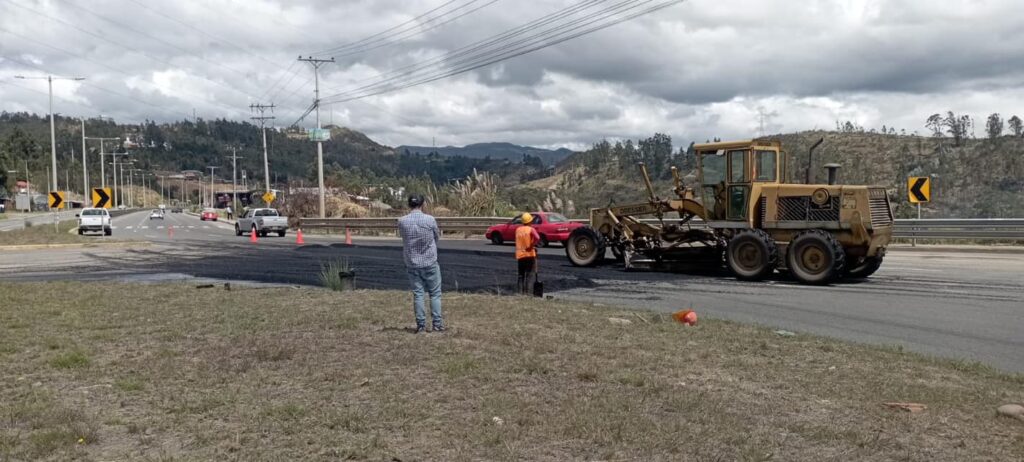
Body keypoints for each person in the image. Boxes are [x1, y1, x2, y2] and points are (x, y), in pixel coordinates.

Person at [397, 194, 444, 333]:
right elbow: (436, 237)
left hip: (412, 262)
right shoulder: (430, 220)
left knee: (418, 294)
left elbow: (403, 237)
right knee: (435, 294)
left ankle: (421, 325)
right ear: (422, 204)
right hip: (430, 261)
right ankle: (437, 324)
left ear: (409, 205)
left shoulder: (402, 221)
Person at [515, 212, 540, 295]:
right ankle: (528, 293)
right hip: (529, 255)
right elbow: (537, 237)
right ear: (530, 221)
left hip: (520, 255)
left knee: (520, 275)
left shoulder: (518, 230)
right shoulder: (531, 229)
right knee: (529, 274)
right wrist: (532, 245)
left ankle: (519, 293)